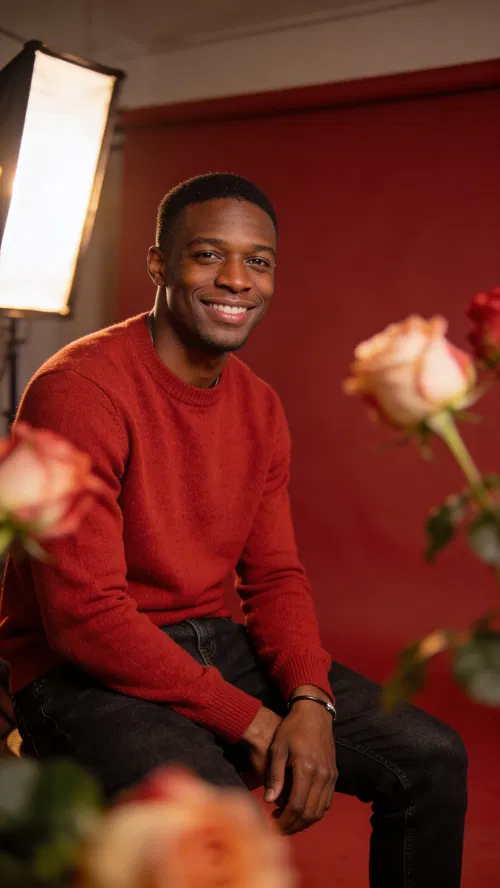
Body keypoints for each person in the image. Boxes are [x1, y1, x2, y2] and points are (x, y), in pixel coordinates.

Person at [0, 173, 466, 887]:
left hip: (207, 639)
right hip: (77, 673)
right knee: (219, 835)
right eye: (208, 255)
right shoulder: (81, 390)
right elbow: (84, 620)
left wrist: (310, 700)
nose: (236, 279)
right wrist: (253, 721)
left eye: (258, 261)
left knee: (431, 758)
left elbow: (275, 576)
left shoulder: (261, 407)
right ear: (159, 265)